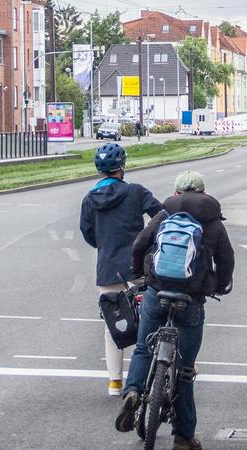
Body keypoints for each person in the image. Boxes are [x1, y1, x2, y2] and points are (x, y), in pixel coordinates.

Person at [115, 171, 235, 450]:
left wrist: (140, 272)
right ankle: (183, 437)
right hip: (191, 300)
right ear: (203, 192)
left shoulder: (165, 214)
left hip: (157, 292)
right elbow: (226, 259)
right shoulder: (213, 222)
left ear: (177, 193)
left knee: (144, 349)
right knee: (184, 370)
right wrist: (218, 285)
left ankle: (133, 391)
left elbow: (140, 243)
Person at [80, 142, 163, 396]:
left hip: (107, 269)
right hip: (138, 268)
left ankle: (114, 382)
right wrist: (148, 241)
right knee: (150, 319)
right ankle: (146, 377)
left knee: (113, 324)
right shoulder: (136, 192)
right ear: (122, 167)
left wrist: (104, 245)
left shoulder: (90, 199)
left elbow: (88, 233)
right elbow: (160, 214)